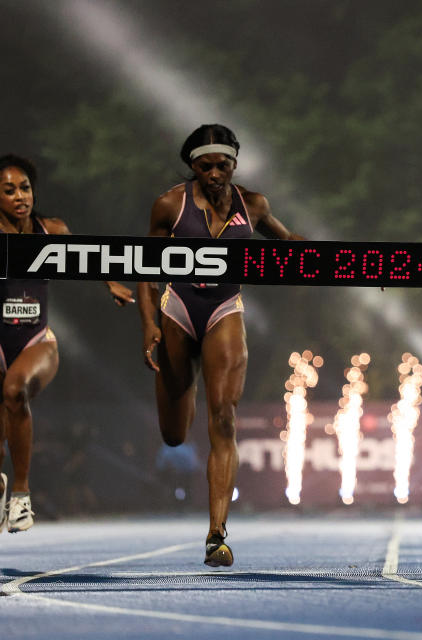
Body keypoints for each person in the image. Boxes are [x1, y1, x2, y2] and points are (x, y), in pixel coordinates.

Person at [0, 154, 134, 534]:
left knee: (15, 391)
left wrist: (111, 284)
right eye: (10, 190)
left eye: (26, 188)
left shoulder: (51, 229)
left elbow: (88, 257)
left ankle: (21, 494)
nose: (21, 196)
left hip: (38, 338)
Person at [138, 124, 303, 566]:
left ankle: (216, 533)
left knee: (225, 418)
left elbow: (291, 246)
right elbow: (142, 267)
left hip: (224, 309)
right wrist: (149, 325)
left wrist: (362, 270)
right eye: (205, 166)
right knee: (174, 434)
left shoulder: (253, 205)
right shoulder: (170, 205)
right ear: (192, 166)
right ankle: (183, 388)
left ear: (234, 164)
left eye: (222, 165)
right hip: (177, 309)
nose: (214, 173)